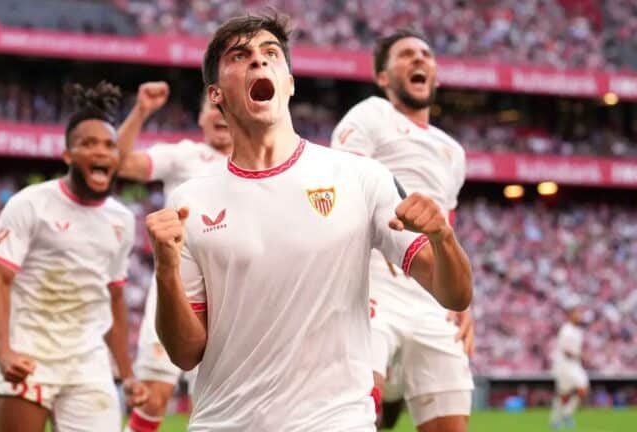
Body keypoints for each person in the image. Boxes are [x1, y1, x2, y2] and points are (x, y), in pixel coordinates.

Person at [145, 14, 473, 431]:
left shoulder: (359, 177)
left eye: (271, 54)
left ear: (290, 82)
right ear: (216, 94)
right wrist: (166, 271)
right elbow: (186, 353)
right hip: (225, 422)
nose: (259, 63)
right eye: (240, 56)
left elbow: (455, 293)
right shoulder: (190, 201)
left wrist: (443, 238)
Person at [331, 29, 474, 432]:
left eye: (425, 54)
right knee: (356, 410)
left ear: (435, 74)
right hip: (375, 280)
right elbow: (345, 180)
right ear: (382, 77)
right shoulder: (371, 114)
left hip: (430, 297)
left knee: (448, 423)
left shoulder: (453, 151)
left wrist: (462, 303)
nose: (418, 59)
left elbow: (447, 223)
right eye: (406, 54)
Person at [0, 81, 148, 432]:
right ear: (68, 155)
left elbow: (114, 295)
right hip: (28, 352)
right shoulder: (30, 203)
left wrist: (127, 372)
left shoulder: (121, 219)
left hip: (87, 362)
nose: (101, 152)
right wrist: (3, 352)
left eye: (109, 145)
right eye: (88, 144)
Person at [117, 82, 232, 432]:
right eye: (213, 106)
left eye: (227, 107)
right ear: (200, 117)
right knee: (154, 395)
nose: (220, 114)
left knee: (219, 402)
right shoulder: (185, 155)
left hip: (229, 291)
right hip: (176, 283)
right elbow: (121, 163)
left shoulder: (258, 163)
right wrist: (141, 111)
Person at [550, 296, 589, 429]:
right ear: (571, 315)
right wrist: (581, 355)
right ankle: (556, 418)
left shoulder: (578, 331)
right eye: (577, 313)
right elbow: (566, 350)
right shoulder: (566, 330)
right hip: (564, 365)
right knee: (563, 394)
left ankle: (566, 413)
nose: (579, 316)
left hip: (574, 365)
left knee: (583, 387)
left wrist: (580, 356)